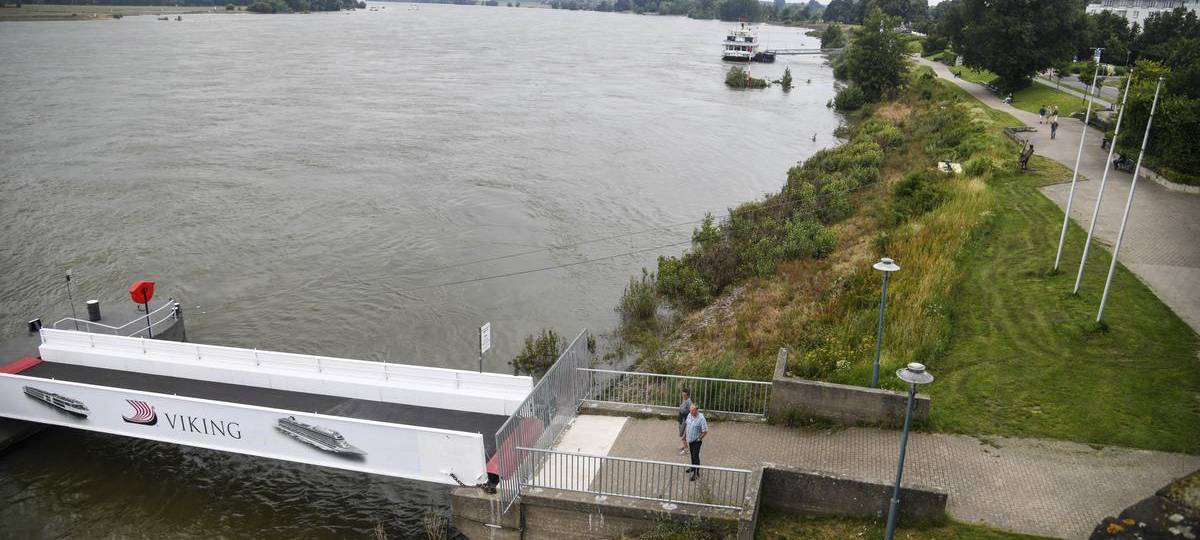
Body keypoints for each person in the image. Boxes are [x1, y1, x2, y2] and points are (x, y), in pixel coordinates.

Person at [684, 404, 708, 481]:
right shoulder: (689, 415)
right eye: (690, 410)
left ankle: (697, 473)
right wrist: (685, 435)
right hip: (690, 439)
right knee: (692, 455)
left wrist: (699, 439)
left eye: (692, 410)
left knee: (695, 456)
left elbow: (705, 431)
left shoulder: (701, 418)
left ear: (696, 410)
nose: (690, 412)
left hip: (696, 441)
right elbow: (687, 425)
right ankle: (693, 467)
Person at [676, 388, 692, 455]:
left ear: (687, 395)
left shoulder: (689, 402)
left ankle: (686, 449)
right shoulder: (684, 400)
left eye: (684, 395)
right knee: (681, 433)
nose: (683, 396)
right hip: (681, 418)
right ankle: (684, 445)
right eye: (682, 394)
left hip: (685, 420)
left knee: (683, 435)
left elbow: (691, 412)